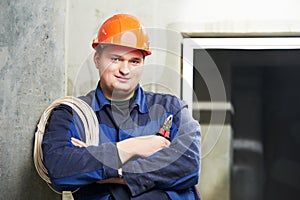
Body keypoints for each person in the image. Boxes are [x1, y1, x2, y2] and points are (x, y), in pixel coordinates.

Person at [42, 13, 201, 200]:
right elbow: (59, 169)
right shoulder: (72, 113)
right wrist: (128, 149)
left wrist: (113, 172)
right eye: (115, 59)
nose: (125, 70)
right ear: (97, 59)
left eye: (134, 61)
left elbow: (188, 166)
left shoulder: (171, 108)